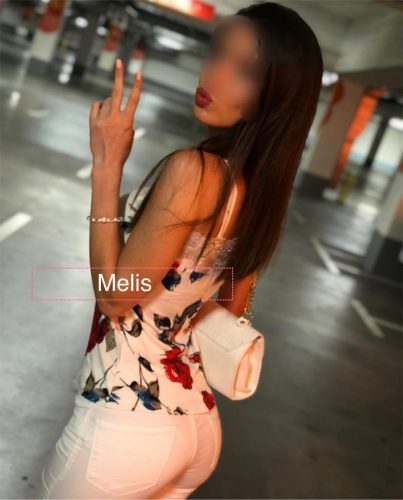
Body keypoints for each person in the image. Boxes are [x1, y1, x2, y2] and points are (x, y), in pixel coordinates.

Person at [37, 2, 323, 498]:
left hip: (128, 424)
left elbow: (116, 295)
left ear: (273, 98)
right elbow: (230, 304)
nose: (214, 73)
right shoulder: (254, 191)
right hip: (195, 423)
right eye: (218, 54)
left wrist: (107, 166)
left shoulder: (196, 170)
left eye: (245, 71)